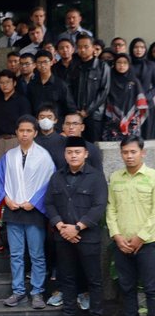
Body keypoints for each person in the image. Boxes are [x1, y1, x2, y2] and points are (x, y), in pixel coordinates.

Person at [0, 115, 55, 309]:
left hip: (34, 211)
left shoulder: (44, 156)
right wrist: (6, 199)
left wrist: (34, 202)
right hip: (13, 210)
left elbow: (49, 183)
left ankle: (37, 292)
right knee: (16, 254)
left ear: (35, 133)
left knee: (36, 254)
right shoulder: (9, 156)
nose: (25, 134)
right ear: (16, 132)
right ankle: (18, 291)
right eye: (21, 130)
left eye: (29, 131)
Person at [45, 136, 107, 316]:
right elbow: (49, 203)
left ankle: (96, 312)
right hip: (63, 237)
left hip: (88, 238)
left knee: (93, 279)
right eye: (70, 152)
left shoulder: (96, 177)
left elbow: (99, 206)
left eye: (77, 152)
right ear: (64, 155)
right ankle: (69, 312)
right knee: (67, 279)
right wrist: (60, 225)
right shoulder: (56, 177)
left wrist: (77, 227)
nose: (73, 156)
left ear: (86, 154)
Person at [106, 135, 155, 316]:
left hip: (149, 243)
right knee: (127, 289)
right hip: (122, 245)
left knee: (151, 290)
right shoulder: (116, 177)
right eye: (125, 152)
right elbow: (111, 209)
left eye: (133, 152)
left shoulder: (152, 177)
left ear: (143, 153)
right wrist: (117, 236)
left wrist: (140, 237)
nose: (129, 156)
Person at [66, 33, 110, 142]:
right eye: (80, 47)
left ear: (93, 47)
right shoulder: (74, 66)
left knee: (94, 146)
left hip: (94, 115)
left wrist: (88, 111)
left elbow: (104, 91)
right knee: (77, 145)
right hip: (76, 114)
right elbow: (68, 89)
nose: (82, 50)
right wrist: (74, 110)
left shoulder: (102, 66)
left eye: (86, 47)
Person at [102, 53, 148, 141]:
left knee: (131, 146)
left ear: (129, 65)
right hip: (112, 120)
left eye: (125, 63)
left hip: (132, 121)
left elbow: (141, 102)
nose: (122, 65)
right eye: (119, 62)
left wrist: (133, 117)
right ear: (114, 64)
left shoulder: (134, 81)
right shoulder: (109, 79)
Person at [27, 50, 77, 125]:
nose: (42, 65)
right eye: (39, 62)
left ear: (51, 62)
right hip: (37, 125)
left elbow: (70, 108)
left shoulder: (61, 85)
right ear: (35, 64)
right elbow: (29, 107)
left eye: (45, 62)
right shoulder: (32, 85)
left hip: (56, 125)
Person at [0, 70, 31, 160]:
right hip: (1, 141)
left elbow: (27, 124)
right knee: (2, 171)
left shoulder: (22, 101)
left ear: (14, 83)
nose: (4, 85)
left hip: (17, 140)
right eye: (1, 83)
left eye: (8, 82)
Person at [129, 37, 155, 139]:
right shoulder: (127, 64)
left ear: (145, 50)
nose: (139, 50)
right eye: (136, 47)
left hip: (147, 104)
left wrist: (147, 96)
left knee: (147, 135)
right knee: (132, 136)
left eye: (142, 47)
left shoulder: (151, 65)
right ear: (131, 49)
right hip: (130, 104)